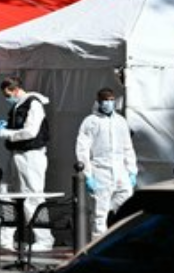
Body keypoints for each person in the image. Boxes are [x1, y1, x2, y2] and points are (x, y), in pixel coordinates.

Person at [0, 76, 54, 252]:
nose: (7, 98)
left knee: (33, 197)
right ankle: (5, 238)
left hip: (31, 155)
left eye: (7, 94)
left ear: (15, 90)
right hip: (17, 154)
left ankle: (44, 238)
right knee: (5, 194)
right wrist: (6, 127)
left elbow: (31, 132)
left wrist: (7, 133)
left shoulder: (33, 104)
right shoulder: (18, 106)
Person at [75, 87, 138, 239]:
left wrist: (132, 171)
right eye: (105, 100)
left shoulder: (120, 121)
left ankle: (121, 242)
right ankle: (98, 245)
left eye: (111, 100)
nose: (108, 103)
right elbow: (82, 149)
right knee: (99, 214)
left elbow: (127, 147)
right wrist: (88, 175)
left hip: (121, 171)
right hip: (100, 170)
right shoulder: (90, 121)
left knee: (126, 205)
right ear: (98, 102)